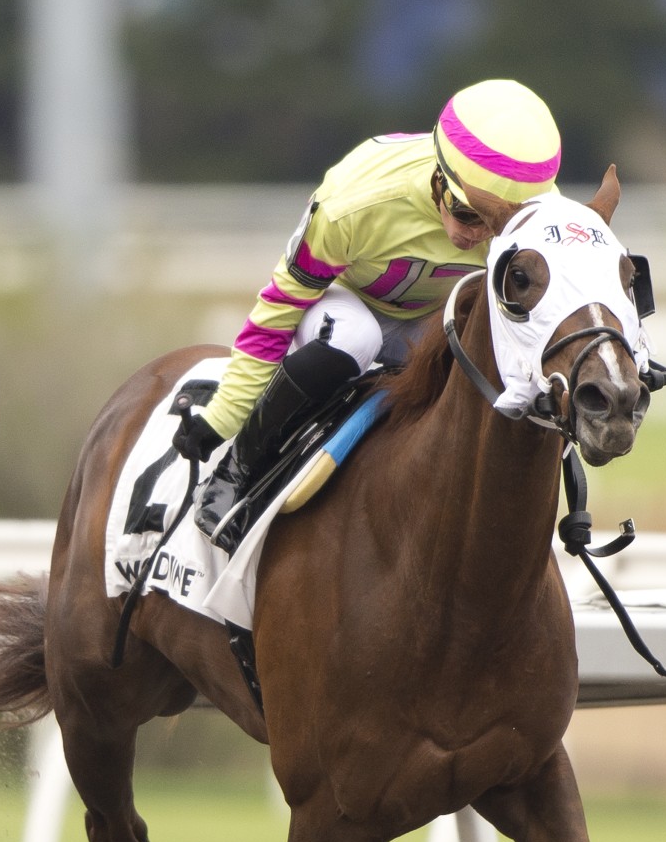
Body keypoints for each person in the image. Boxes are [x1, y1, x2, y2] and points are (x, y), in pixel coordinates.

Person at [174, 78, 563, 546]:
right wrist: (222, 420)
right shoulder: (356, 204)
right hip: (341, 304)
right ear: (439, 175)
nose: (474, 236)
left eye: (491, 224)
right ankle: (239, 470)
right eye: (465, 214)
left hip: (430, 324)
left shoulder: (540, 220)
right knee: (356, 338)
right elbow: (278, 310)